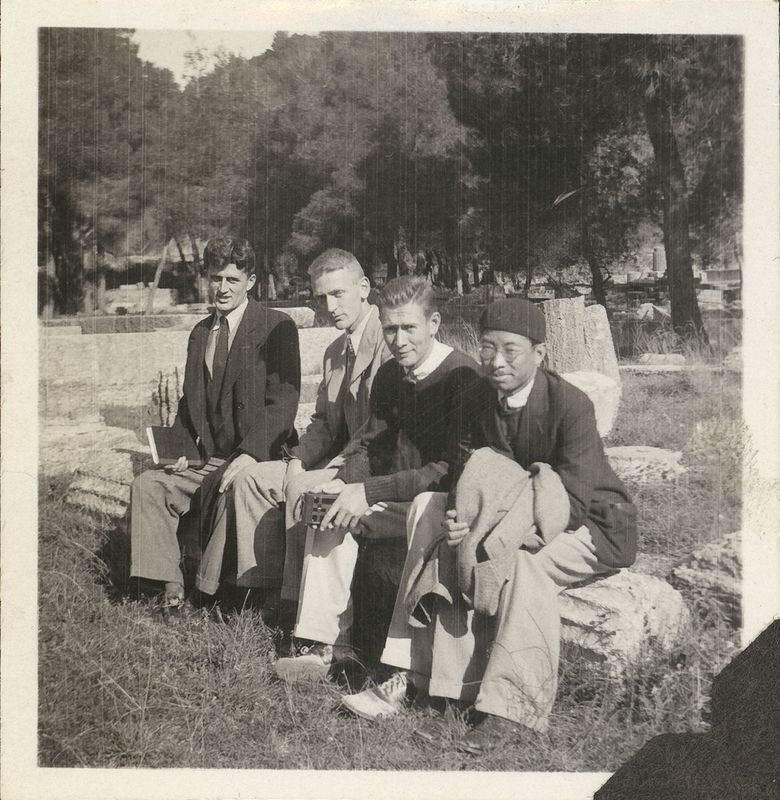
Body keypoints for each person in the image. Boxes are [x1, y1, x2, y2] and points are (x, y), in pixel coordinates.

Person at [340, 298, 638, 754]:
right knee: (443, 534)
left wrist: (492, 535)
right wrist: (459, 520)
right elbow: (463, 470)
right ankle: (445, 689)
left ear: (539, 353)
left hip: (589, 528)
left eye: (511, 350)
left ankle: (512, 708)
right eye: (487, 348)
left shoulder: (569, 405)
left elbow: (573, 504)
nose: (497, 361)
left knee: (521, 565)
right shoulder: (479, 397)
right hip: (509, 516)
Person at [275, 275, 483, 681]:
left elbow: (449, 471)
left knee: (380, 505)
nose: (399, 340)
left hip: (440, 505)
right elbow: (370, 446)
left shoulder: (462, 377)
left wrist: (368, 491)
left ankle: (399, 668)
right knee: (329, 508)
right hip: (395, 499)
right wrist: (344, 482)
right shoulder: (390, 375)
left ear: (434, 324)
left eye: (409, 328)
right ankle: (326, 646)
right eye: (390, 329)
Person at [194, 249, 390, 620]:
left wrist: (327, 466)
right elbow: (323, 422)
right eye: (321, 297)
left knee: (300, 487)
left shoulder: (388, 339)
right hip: (336, 457)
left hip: (370, 464)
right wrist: (297, 459)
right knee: (252, 479)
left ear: (364, 288)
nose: (329, 306)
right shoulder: (335, 351)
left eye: (338, 294)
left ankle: (294, 603)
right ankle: (259, 590)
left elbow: (383, 429)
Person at [128, 236, 301, 621]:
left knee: (228, 487)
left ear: (250, 282)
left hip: (258, 454)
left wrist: (250, 454)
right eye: (216, 278)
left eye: (232, 280)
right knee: (149, 485)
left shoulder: (276, 326)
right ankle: (170, 586)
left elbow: (283, 403)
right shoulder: (200, 333)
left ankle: (205, 593)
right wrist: (179, 448)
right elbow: (190, 402)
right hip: (207, 456)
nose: (222, 288)